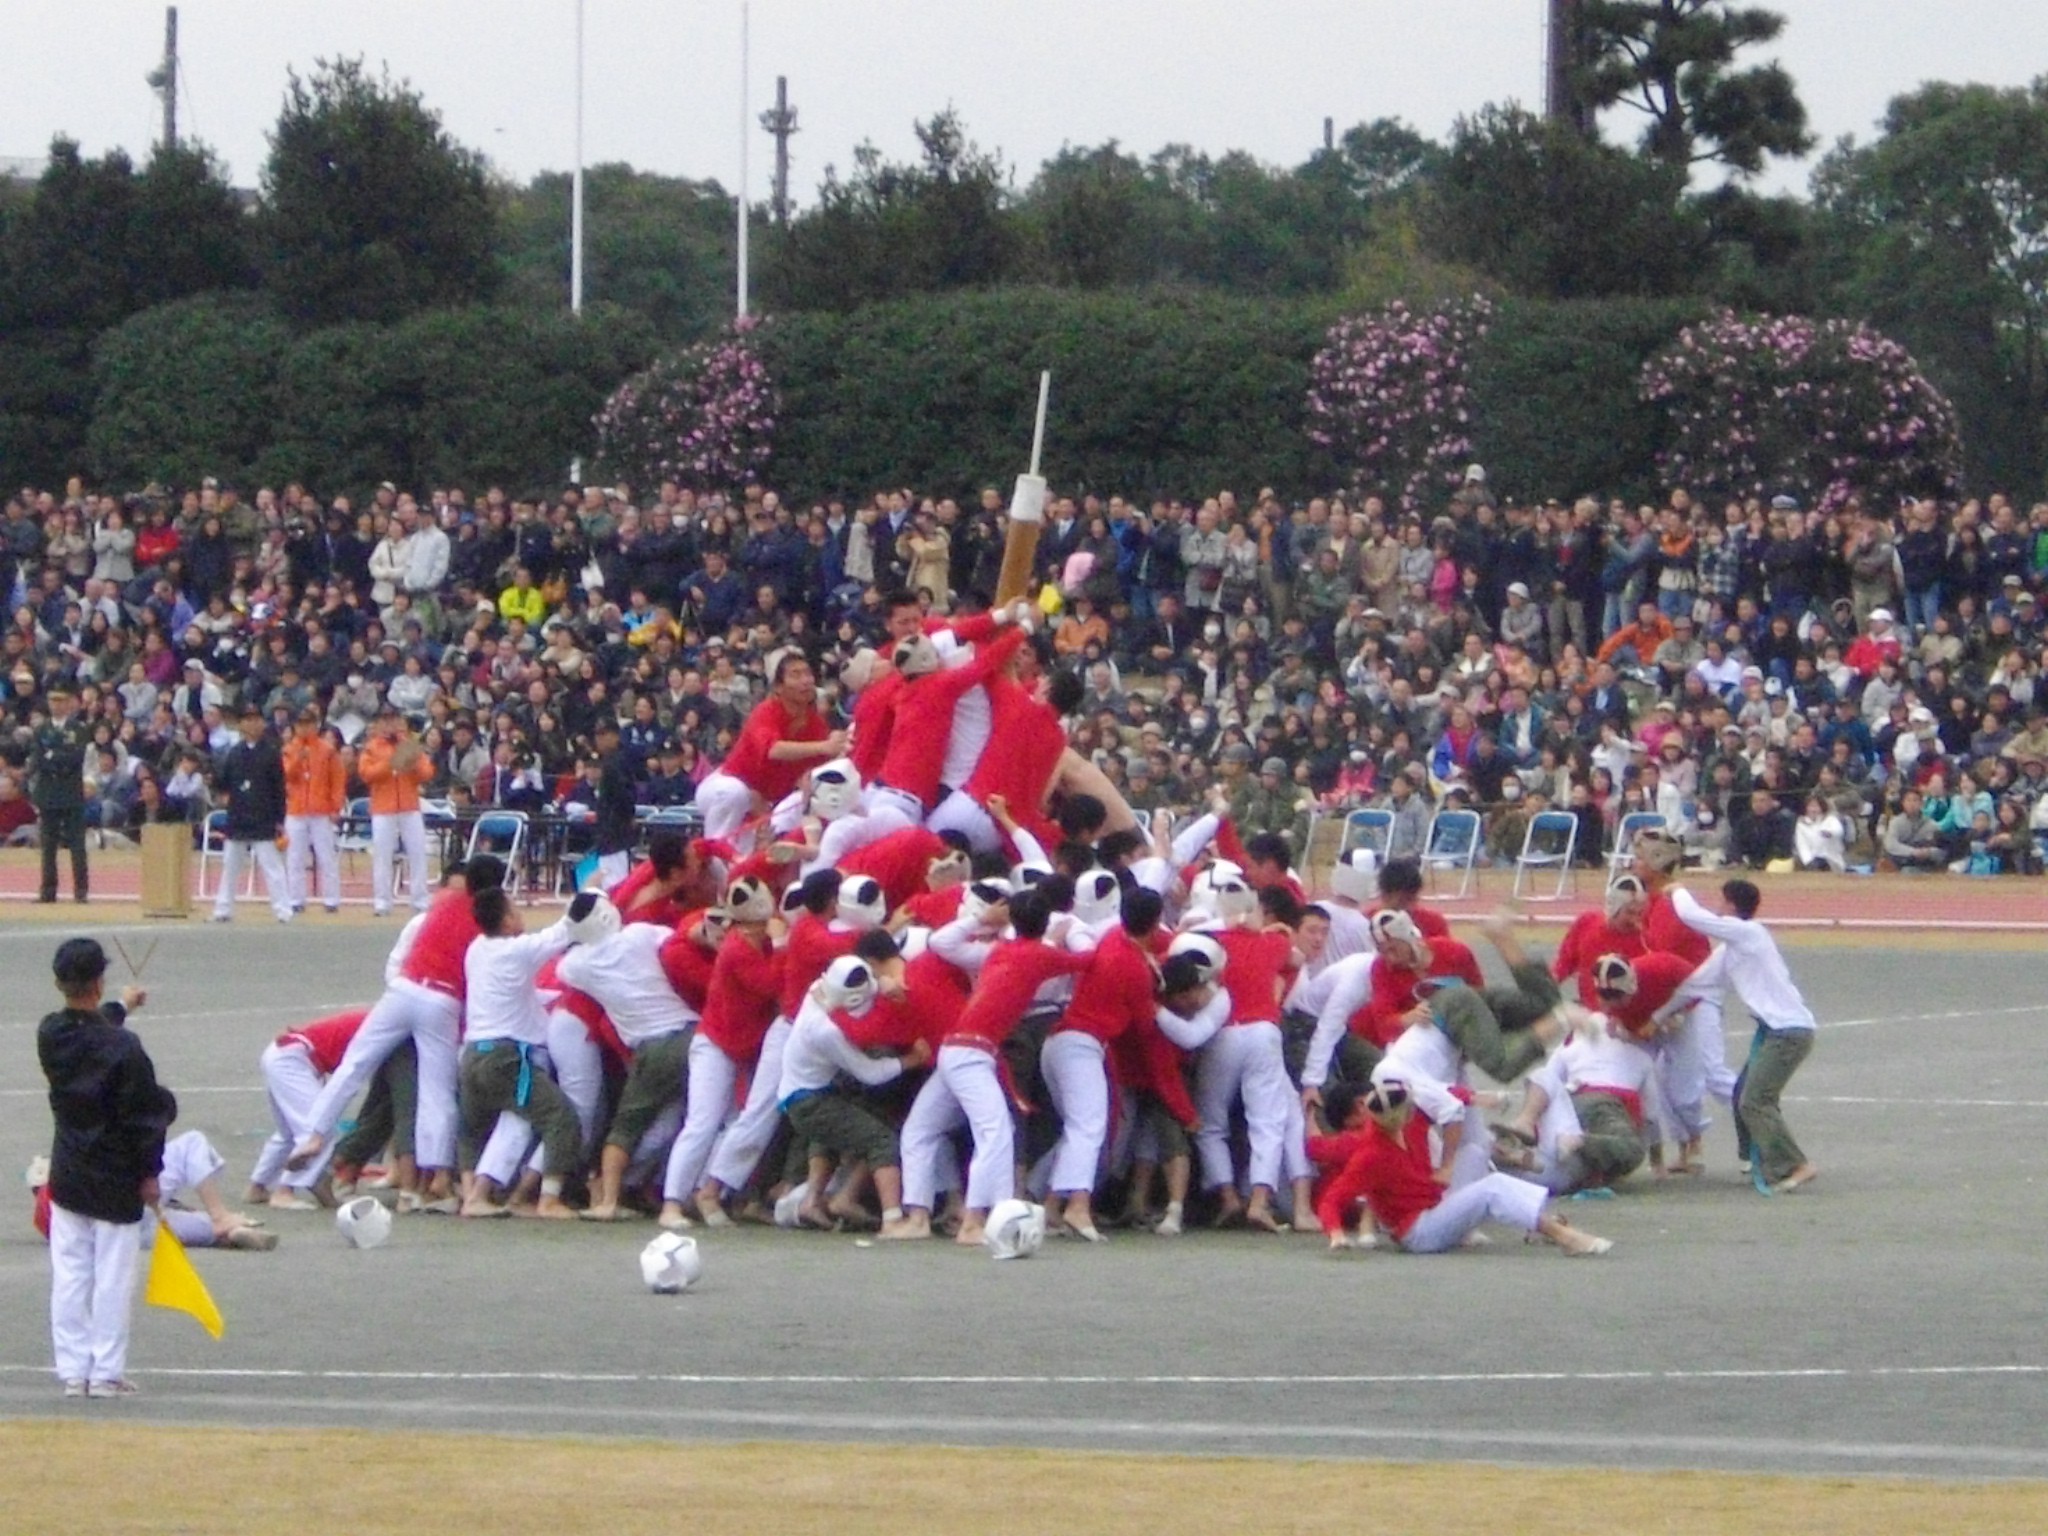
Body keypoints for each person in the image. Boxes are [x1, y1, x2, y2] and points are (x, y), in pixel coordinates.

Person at [38, 938, 175, 1397]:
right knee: (112, 1278)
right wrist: (150, 1172)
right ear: (97, 983)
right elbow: (144, 1117)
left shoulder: (51, 1035)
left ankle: (73, 1370)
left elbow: (89, 1035)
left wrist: (121, 1005)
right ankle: (106, 1371)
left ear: (61, 984)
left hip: (70, 1169)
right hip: (116, 1175)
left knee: (71, 1273)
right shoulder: (125, 1049)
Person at [1313, 1078, 1612, 1256]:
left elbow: (1451, 1095)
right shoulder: (1370, 1153)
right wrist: (1336, 1234)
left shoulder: (1412, 1123)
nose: (1417, 1110)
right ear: (1399, 1116)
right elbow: (1333, 1198)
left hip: (1434, 1204)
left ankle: (1538, 1222)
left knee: (1473, 1151)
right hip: (1417, 1232)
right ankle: (1563, 1236)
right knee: (1492, 1189)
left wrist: (1483, 1099)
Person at [1670, 879, 1820, 1194]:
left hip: (1788, 1031)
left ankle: (1794, 1164)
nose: (1717, 907)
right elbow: (1695, 985)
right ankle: (1757, 1160)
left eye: (1721, 902)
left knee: (1755, 1100)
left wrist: (1678, 890)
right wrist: (1656, 1016)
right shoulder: (1730, 950)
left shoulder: (1749, 933)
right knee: (1742, 1095)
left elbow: (1692, 916)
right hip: (1776, 1030)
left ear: (1732, 907)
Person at [210, 706, 293, 924]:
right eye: (247, 720)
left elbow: (279, 789)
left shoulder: (271, 753)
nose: (251, 724)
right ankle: (223, 908)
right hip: (238, 817)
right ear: (241, 725)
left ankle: (283, 910)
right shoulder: (235, 753)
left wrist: (279, 820)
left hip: (263, 818)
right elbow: (224, 783)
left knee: (272, 868)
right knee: (230, 866)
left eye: (255, 720)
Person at [361, 704, 436, 917]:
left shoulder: (409, 745)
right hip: (383, 808)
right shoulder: (371, 747)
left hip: (409, 805)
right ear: (378, 724)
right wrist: (389, 763)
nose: (389, 723)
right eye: (385, 720)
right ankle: (382, 901)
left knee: (417, 853)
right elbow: (366, 774)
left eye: (393, 719)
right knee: (383, 855)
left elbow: (427, 772)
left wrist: (412, 766)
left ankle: (420, 899)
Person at [282, 707, 345, 914]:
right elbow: (286, 776)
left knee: (326, 855)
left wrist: (335, 806)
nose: (304, 727)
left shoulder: (327, 750)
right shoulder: (289, 749)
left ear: (315, 725)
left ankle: (332, 899)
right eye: (300, 724)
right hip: (297, 809)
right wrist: (298, 759)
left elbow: (336, 780)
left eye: (308, 723)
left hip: (321, 809)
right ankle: (295, 898)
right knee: (295, 856)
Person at [31, 682, 90, 903]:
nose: (55, 705)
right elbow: (38, 759)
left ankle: (81, 890)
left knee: (77, 844)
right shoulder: (41, 730)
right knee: (48, 845)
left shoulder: (79, 729)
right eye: (52, 700)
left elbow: (76, 758)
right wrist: (56, 758)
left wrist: (53, 756)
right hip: (48, 792)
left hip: (71, 791)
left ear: (68, 703)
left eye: (60, 700)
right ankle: (48, 890)